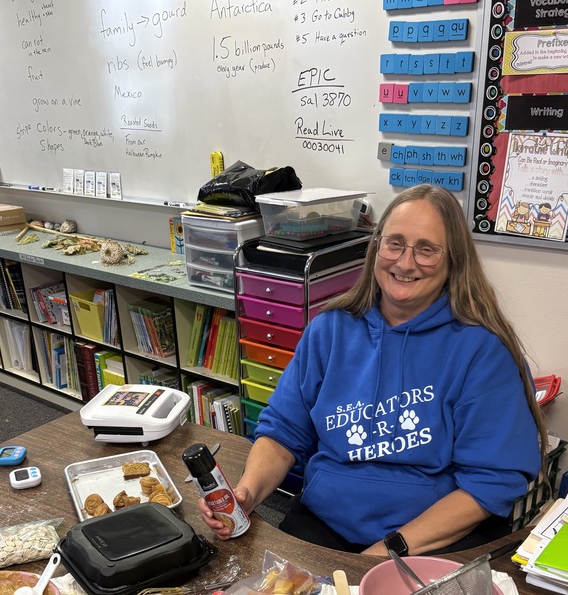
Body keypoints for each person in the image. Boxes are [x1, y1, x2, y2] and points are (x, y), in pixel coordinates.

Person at [198, 184, 547, 557]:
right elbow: (284, 433)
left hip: (427, 541)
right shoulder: (329, 329)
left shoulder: (483, 350)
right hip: (324, 524)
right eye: (394, 243)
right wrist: (247, 493)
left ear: (453, 262)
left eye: (427, 250)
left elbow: (492, 481)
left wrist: (386, 551)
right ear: (375, 246)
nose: (405, 262)